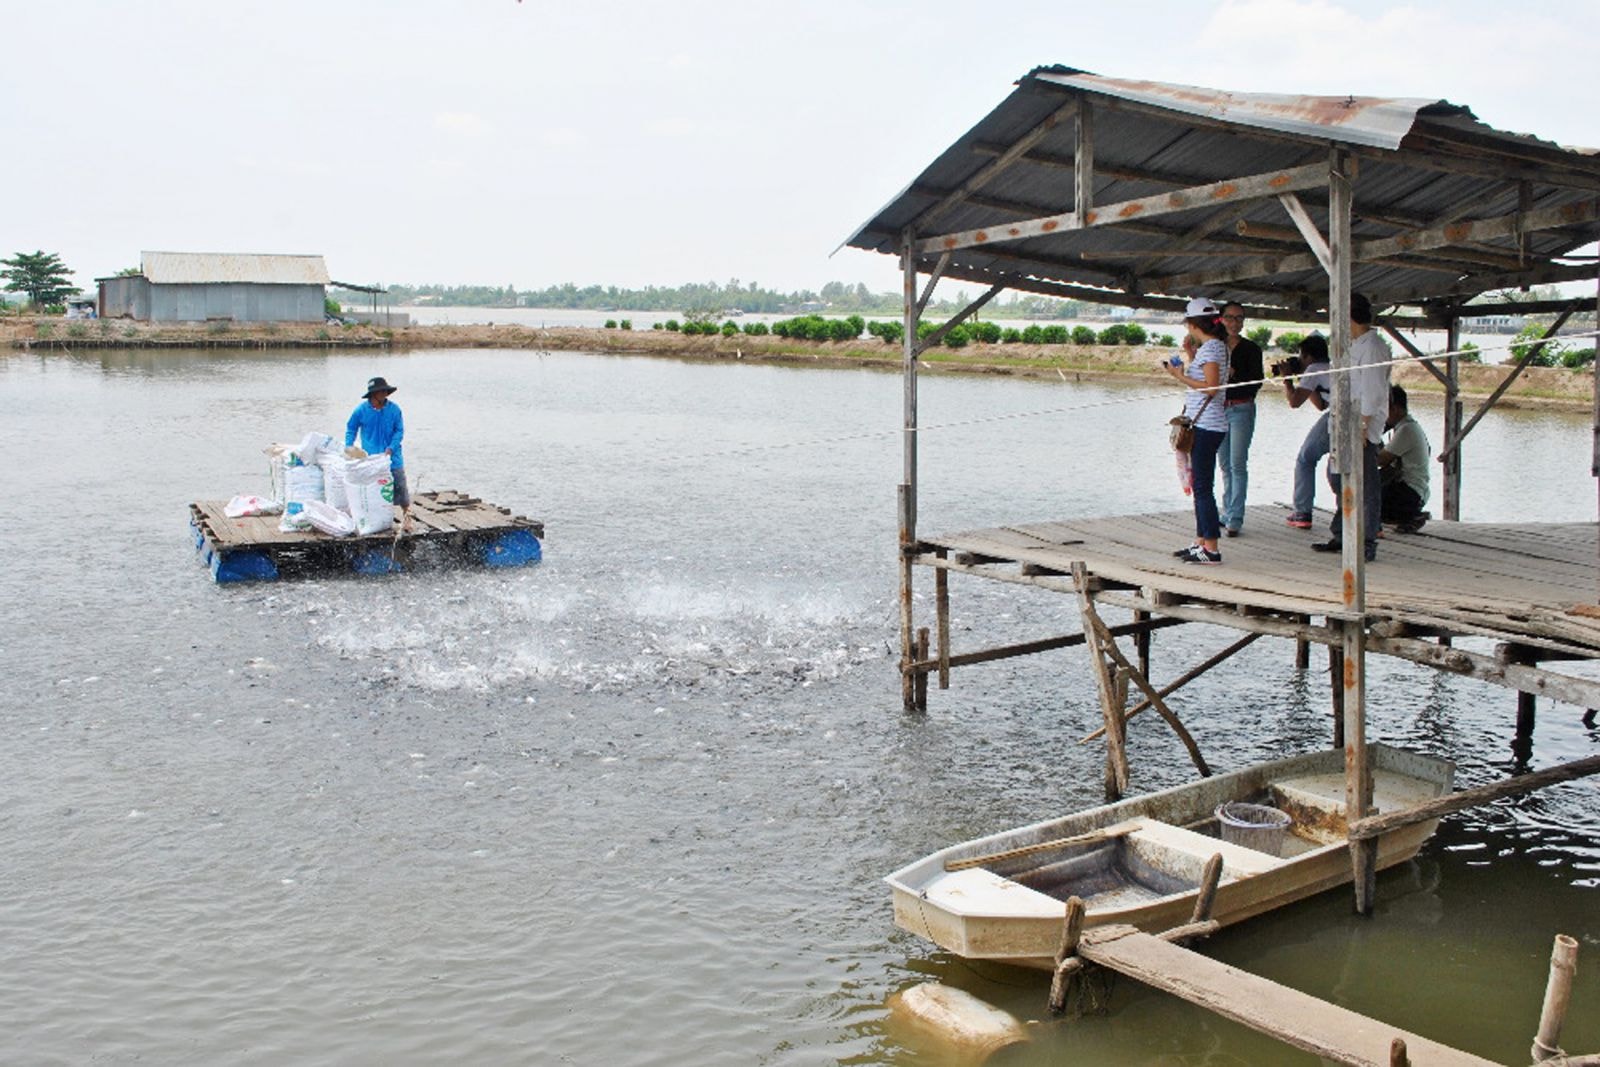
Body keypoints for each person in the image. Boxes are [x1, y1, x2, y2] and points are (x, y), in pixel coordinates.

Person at [1312, 294, 1391, 562]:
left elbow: (1373, 391)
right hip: (1342, 422)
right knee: (1337, 477)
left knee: (1365, 483)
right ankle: (1342, 532)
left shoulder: (1373, 347)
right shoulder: (1352, 345)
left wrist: (1362, 427)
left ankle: (1366, 540)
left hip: (1360, 425)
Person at [1162, 297, 1230, 564]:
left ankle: (1211, 547)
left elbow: (1212, 387)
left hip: (1207, 425)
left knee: (1202, 486)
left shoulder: (1212, 349)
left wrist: (1179, 376)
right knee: (1200, 484)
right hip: (1208, 424)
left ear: (1192, 324)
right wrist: (1191, 359)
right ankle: (1201, 541)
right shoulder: (1215, 348)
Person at [1216, 301, 1264, 537]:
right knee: (1224, 464)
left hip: (1241, 408)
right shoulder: (1216, 346)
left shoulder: (1251, 349)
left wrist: (1234, 374)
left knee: (1237, 464)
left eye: (1239, 318)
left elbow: (1256, 381)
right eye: (1230, 318)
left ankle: (1235, 518)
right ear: (1221, 319)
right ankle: (1226, 512)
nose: (1234, 323)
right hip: (1219, 409)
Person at [345, 375, 412, 531]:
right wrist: (349, 446)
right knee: (374, 490)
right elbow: (351, 428)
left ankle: (407, 518)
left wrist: (391, 447)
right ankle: (374, 519)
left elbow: (399, 431)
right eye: (380, 391)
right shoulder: (361, 410)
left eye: (385, 391)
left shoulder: (394, 410)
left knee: (400, 486)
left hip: (392, 457)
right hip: (371, 459)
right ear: (373, 394)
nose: (383, 393)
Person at [1281, 333, 1332, 529]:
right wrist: (1307, 382)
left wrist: (1288, 380)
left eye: (1301, 356)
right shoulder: (1331, 366)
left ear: (1309, 357)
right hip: (1351, 416)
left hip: (1335, 417)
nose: (1300, 361)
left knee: (1305, 459)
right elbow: (1320, 404)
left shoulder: (1313, 369)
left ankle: (1302, 512)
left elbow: (1294, 402)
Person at [1378, 384, 1430, 532]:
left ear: (1394, 409)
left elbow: (1381, 460)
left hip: (1409, 490)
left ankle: (1410, 516)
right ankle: (1408, 516)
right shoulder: (1405, 426)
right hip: (1412, 489)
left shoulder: (1406, 430)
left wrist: (1372, 438)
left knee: (1370, 500)